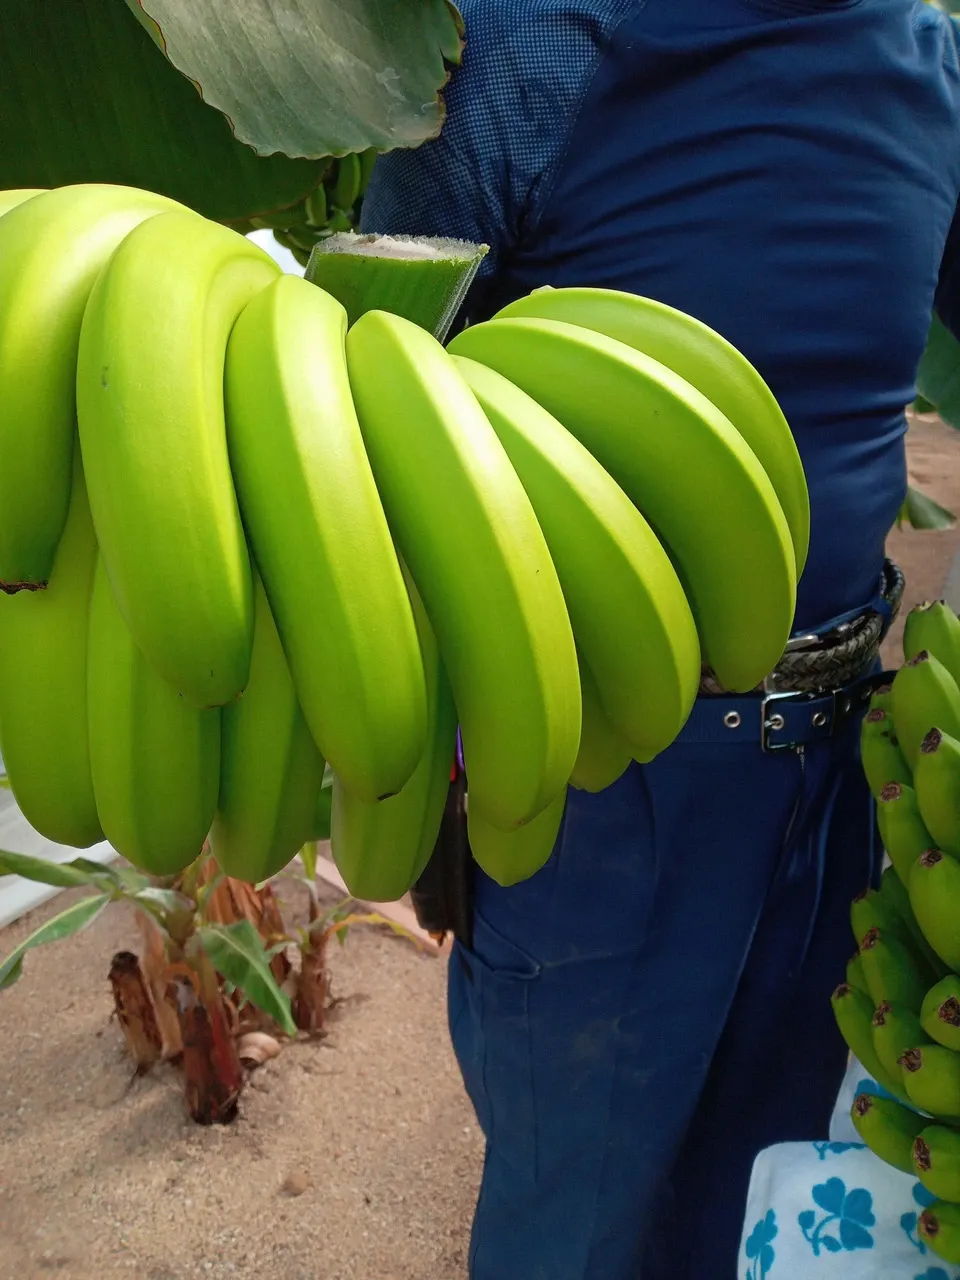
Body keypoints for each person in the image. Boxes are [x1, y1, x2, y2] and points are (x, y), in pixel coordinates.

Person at [359, 2, 960, 1276]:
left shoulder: (927, 48)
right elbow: (372, 371)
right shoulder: (532, 38)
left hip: (844, 769)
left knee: (759, 1209)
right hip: (604, 769)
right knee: (573, 1229)